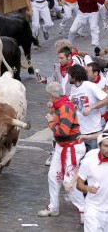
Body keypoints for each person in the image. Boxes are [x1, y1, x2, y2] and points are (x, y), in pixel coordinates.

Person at [37, 82, 85, 225]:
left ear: (52, 95)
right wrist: (52, 109)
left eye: (49, 95)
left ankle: (84, 210)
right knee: (53, 176)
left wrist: (51, 122)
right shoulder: (60, 104)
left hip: (72, 147)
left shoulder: (65, 108)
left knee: (68, 182)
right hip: (62, 146)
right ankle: (54, 206)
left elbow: (63, 131)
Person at [68, 64, 108, 151]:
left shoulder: (89, 85)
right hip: (79, 131)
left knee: (92, 158)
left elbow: (106, 99)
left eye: (70, 75)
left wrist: (91, 107)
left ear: (75, 75)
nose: (68, 77)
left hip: (92, 131)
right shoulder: (73, 88)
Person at [77, 133, 108, 232]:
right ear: (99, 146)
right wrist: (87, 188)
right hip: (93, 209)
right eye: (106, 146)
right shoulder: (89, 161)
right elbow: (79, 184)